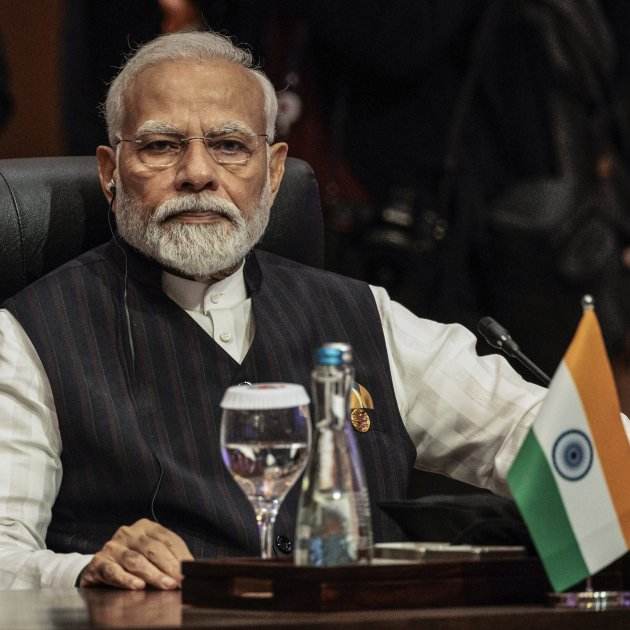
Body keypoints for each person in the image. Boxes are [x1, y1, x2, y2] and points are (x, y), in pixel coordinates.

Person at [0, 31, 545, 591]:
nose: (197, 172)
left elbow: (533, 433)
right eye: (161, 146)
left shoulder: (363, 315)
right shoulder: (29, 336)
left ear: (275, 170)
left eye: (230, 145)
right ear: (110, 172)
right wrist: (86, 571)